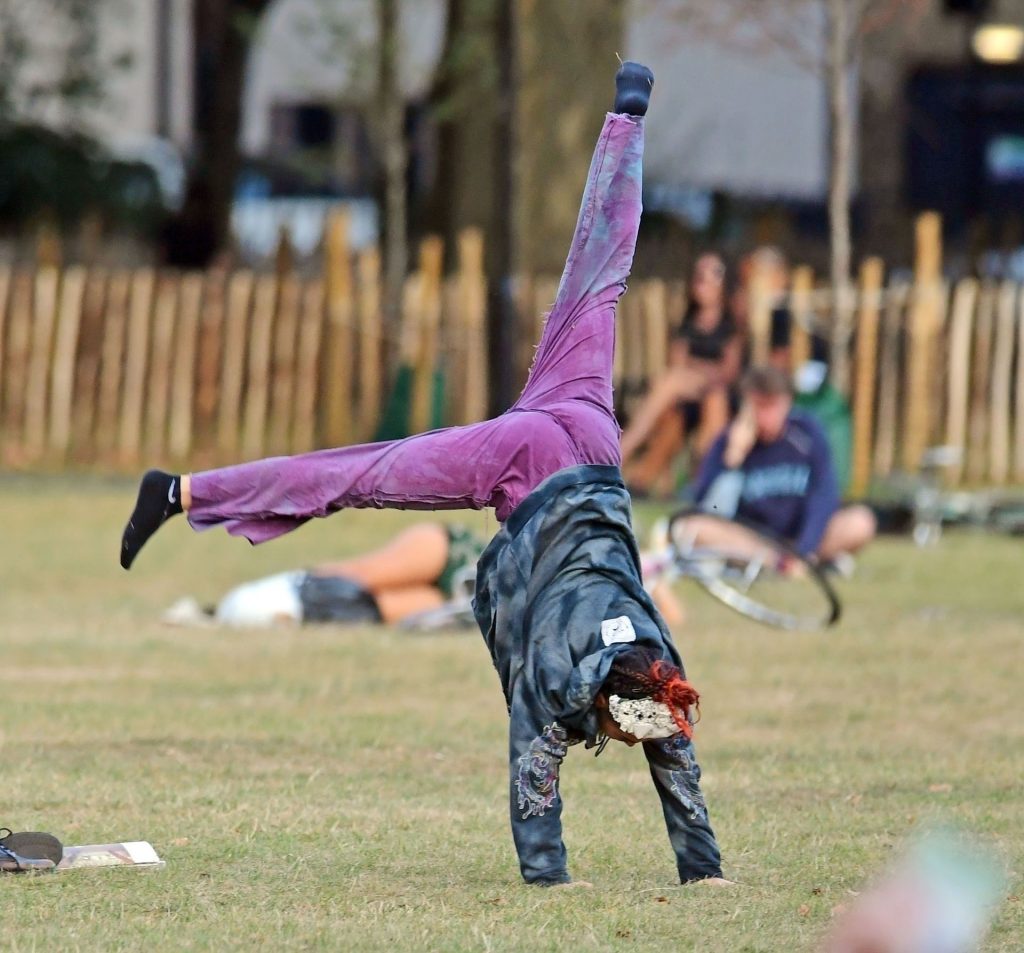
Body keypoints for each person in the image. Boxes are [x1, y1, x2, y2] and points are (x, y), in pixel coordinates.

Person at [119, 63, 727, 888]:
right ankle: (185, 492)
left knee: (600, 273)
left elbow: (663, 747)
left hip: (588, 430)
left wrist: (705, 871)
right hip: (529, 463)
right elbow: (537, 765)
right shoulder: (585, 675)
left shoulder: (659, 662)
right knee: (360, 474)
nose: (632, 740)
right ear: (628, 707)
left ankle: (627, 112)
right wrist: (561, 878)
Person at [685, 364, 876, 568]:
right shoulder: (729, 440)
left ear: (787, 403)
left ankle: (801, 562)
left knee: (861, 522)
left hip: (801, 537)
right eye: (758, 406)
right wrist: (732, 458)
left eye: (772, 406)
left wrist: (805, 547)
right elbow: (706, 505)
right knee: (694, 528)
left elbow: (824, 494)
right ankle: (785, 565)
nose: (764, 416)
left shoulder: (807, 433)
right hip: (753, 540)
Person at [163, 521, 486, 628]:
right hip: (465, 560)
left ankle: (215, 612)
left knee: (374, 608)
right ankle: (296, 585)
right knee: (361, 578)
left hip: (468, 602)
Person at [620, 252, 742, 495]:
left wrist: (697, 369)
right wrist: (697, 370)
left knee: (697, 393)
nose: (704, 281)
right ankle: (641, 479)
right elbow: (676, 362)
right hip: (687, 395)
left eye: (713, 274)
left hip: (717, 393)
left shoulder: (731, 324)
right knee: (671, 400)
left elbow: (728, 372)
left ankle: (621, 451)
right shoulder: (688, 322)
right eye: (699, 275)